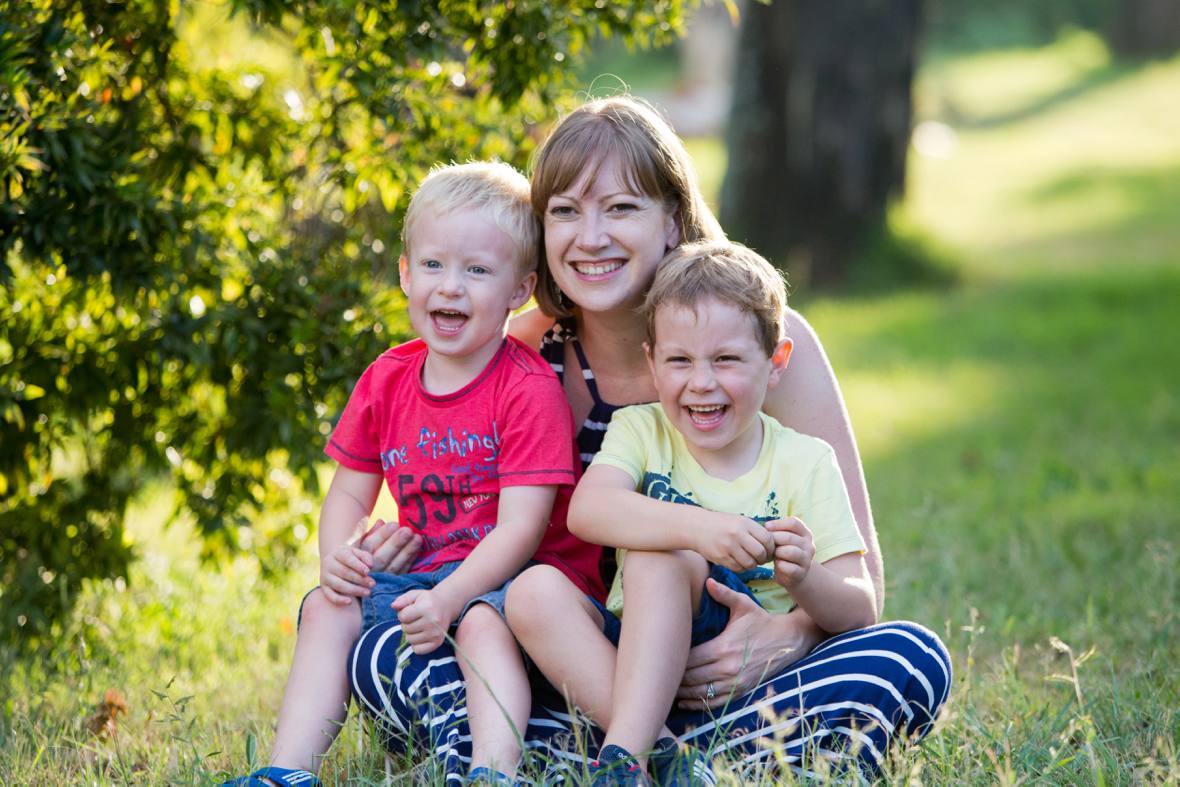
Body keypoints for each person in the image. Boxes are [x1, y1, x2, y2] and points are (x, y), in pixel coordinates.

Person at [350, 96, 952, 781]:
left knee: (909, 657)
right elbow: (464, 516)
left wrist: (789, 634)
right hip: (570, 661)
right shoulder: (517, 355)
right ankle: (663, 753)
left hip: (738, 666)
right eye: (566, 211)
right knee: (379, 651)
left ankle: (606, 755)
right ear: (541, 231)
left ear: (671, 220)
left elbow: (861, 583)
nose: (591, 236)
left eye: (621, 208)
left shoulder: (769, 344)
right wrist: (399, 539)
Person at [225, 162, 603, 787]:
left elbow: (521, 530)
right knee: (327, 606)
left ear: (520, 289)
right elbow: (349, 492)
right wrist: (339, 558)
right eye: (432, 265)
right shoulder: (388, 378)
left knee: (480, 623)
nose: (450, 288)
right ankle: (285, 772)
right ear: (405, 273)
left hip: (513, 582)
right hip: (423, 575)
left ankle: (492, 772)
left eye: (477, 270)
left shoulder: (527, 388)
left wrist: (451, 598)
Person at [534, 240, 879, 784]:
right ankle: (651, 757)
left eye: (726, 359)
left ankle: (623, 752)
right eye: (679, 360)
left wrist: (806, 578)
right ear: (651, 362)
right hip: (633, 654)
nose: (701, 381)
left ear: (777, 361)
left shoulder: (805, 462)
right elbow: (588, 509)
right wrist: (704, 529)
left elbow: (860, 611)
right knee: (535, 593)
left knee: (908, 655)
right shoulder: (641, 430)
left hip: (748, 672)